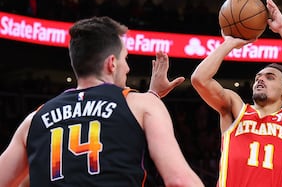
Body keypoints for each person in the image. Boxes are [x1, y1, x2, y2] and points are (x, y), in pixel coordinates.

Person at [0, 16, 204, 187]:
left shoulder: (34, 119)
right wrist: (152, 98)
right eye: (125, 58)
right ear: (112, 63)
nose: (128, 68)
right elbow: (179, 181)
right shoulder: (141, 105)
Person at [191, 0, 282, 187]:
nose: (260, 79)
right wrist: (229, 44)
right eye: (258, 77)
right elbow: (199, 80)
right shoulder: (236, 108)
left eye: (270, 77)